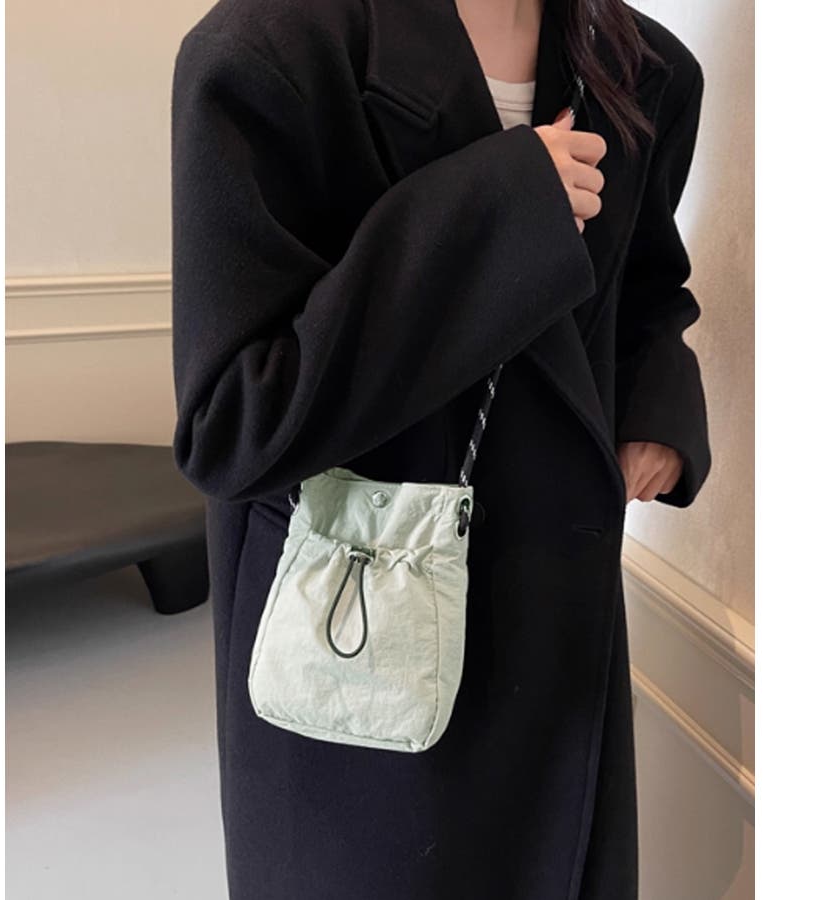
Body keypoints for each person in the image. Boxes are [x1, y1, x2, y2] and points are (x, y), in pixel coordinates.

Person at [169, 0, 712, 897]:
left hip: (557, 625)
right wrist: (500, 209)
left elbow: (647, 287)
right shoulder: (267, 49)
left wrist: (659, 404)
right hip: (357, 630)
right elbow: (234, 420)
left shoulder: (642, 67)